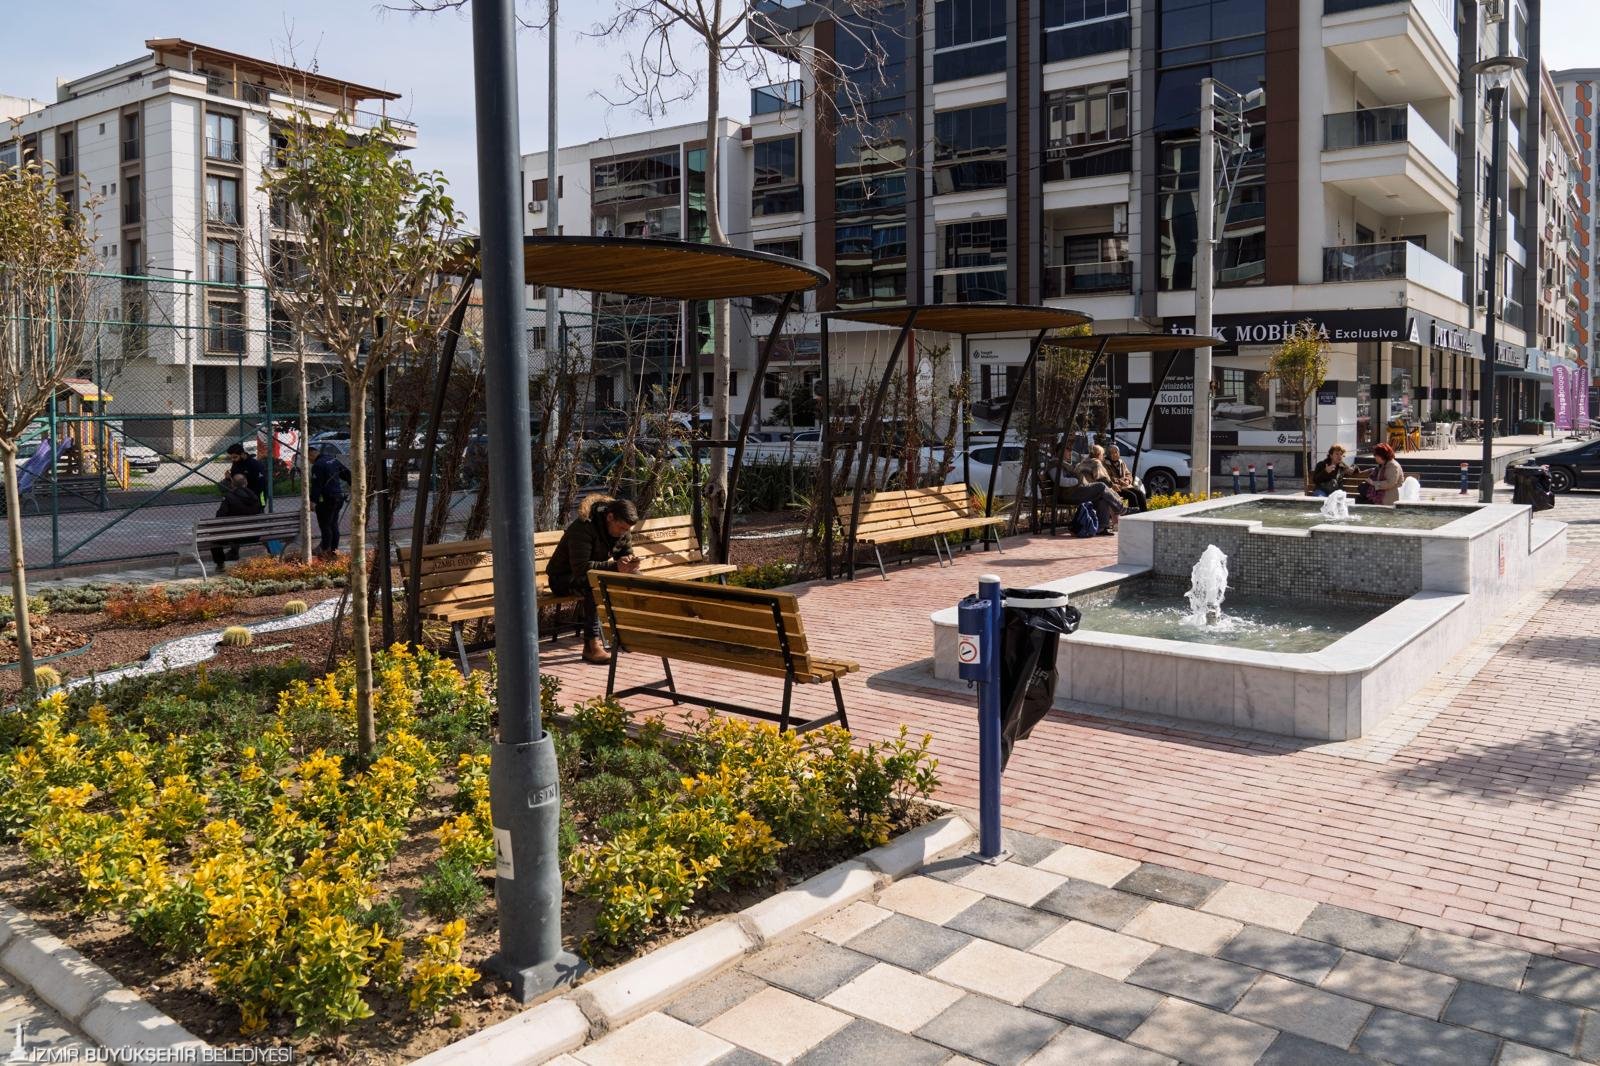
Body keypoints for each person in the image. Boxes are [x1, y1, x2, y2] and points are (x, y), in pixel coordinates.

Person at [546, 497, 641, 664]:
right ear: (610, 517)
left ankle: (629, 634)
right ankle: (591, 646)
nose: (624, 532)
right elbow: (581, 568)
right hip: (562, 578)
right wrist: (616, 567)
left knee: (637, 579)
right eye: (621, 528)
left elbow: (625, 552)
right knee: (594, 586)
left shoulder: (622, 529)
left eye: (627, 530)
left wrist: (630, 562)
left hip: (590, 574)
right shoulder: (583, 528)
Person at [1052, 443, 1124, 536]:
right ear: (1060, 452)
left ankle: (1101, 528)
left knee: (1102, 497)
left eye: (1071, 450)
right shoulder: (1054, 465)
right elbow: (1060, 481)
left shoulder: (1064, 464)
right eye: (1068, 450)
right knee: (1101, 486)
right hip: (1069, 494)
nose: (1070, 452)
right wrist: (1076, 480)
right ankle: (1120, 508)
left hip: (1074, 491)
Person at [211, 473, 264, 573]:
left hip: (233, 536)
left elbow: (219, 516)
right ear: (246, 483)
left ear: (232, 484)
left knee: (213, 539)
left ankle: (220, 565)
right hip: (254, 535)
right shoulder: (255, 497)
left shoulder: (229, 497)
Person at [309, 443, 350, 556]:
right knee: (333, 525)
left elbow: (317, 485)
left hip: (327, 499)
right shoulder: (332, 460)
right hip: (338, 497)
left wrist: (313, 501)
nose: (309, 461)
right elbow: (347, 474)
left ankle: (325, 549)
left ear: (311, 454)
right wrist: (353, 486)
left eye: (308, 458)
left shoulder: (317, 465)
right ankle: (333, 550)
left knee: (325, 525)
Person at [1104, 444, 1147, 513]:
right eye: (1112, 453)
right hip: (1114, 487)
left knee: (1140, 493)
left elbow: (1128, 474)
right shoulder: (1105, 463)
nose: (1115, 454)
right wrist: (1120, 481)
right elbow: (1107, 478)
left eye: (1116, 452)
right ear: (1108, 454)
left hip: (1125, 486)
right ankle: (1133, 514)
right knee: (1132, 496)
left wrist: (1127, 480)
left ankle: (1144, 513)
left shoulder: (1121, 462)